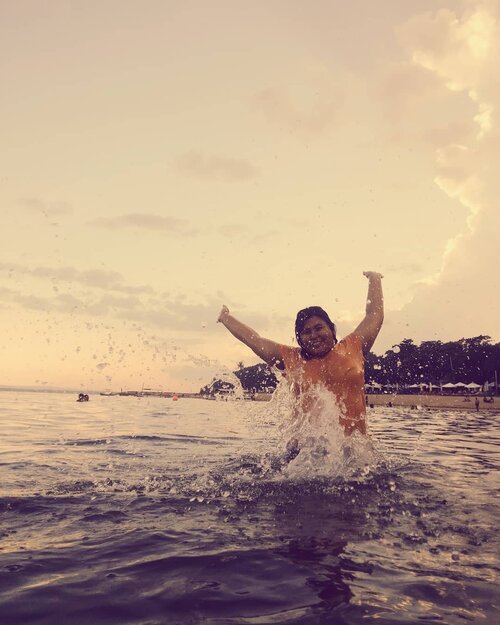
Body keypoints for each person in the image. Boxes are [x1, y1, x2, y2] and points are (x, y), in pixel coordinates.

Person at [217, 272, 384, 443]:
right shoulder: (291, 359)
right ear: (299, 338)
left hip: (355, 450)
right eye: (306, 332)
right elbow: (254, 340)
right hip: (303, 452)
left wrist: (374, 278)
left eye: (319, 328)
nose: (313, 335)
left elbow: (374, 316)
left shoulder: (353, 347)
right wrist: (226, 318)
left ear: (331, 330)